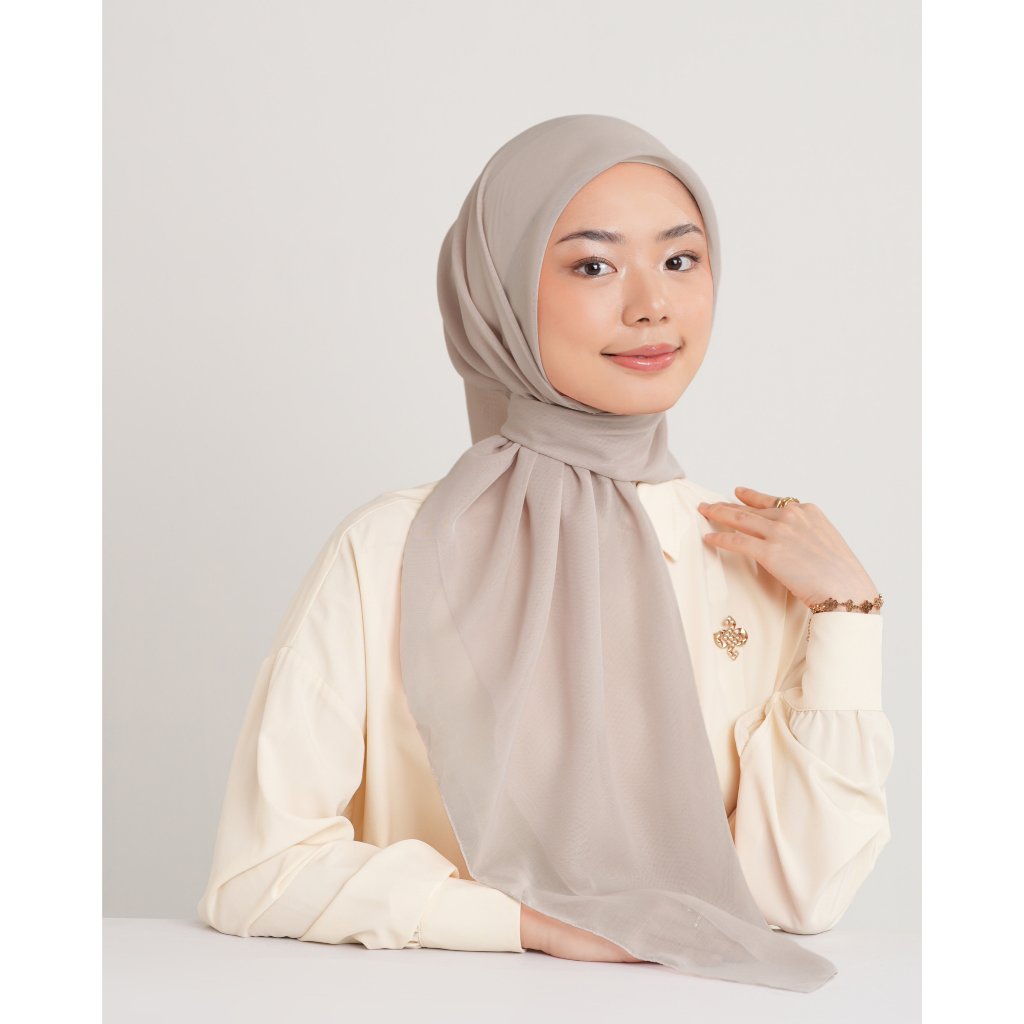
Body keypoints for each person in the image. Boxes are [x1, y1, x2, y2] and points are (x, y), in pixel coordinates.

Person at [196, 115, 892, 991]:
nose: (651, 305)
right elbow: (259, 873)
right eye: (593, 266)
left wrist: (848, 616)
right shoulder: (395, 548)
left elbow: (796, 899)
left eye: (681, 259)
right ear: (499, 296)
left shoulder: (755, 559)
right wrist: (530, 926)